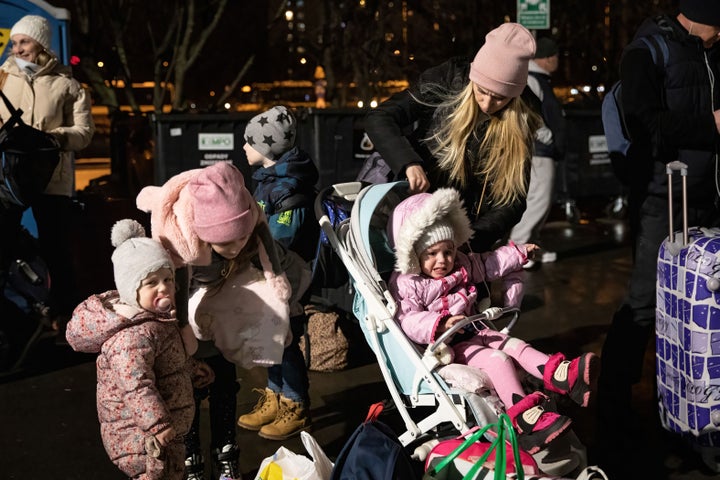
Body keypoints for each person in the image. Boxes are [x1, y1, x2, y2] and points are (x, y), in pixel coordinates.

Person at [596, 1, 720, 475]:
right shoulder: (647, 51)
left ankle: (700, 420)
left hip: (711, 198)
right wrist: (711, 125)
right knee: (647, 305)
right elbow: (647, 124)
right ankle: (614, 413)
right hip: (664, 201)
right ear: (696, 15)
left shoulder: (712, 52)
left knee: (704, 311)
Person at [386, 188, 599, 455]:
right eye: (431, 254)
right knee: (500, 361)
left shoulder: (462, 263)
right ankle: (523, 419)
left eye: (448, 251)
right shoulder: (409, 283)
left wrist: (520, 253)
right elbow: (408, 318)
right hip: (451, 346)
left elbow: (490, 262)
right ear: (414, 253)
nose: (442, 261)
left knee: (515, 345)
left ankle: (562, 375)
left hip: (477, 328)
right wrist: (440, 323)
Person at [136, 162, 310, 480]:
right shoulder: (179, 240)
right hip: (190, 299)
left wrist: (275, 278)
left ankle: (226, 453)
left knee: (223, 381)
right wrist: (184, 332)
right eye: (225, 244)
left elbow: (263, 240)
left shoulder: (246, 215)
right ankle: (191, 458)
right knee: (184, 388)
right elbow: (176, 292)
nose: (234, 249)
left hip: (224, 294)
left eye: (239, 240)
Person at [365, 22, 542, 253]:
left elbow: (512, 202)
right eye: (482, 90)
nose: (487, 104)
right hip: (415, 226)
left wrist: (469, 241)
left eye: (500, 98)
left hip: (469, 240)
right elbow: (379, 118)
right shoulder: (446, 82)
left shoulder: (522, 121)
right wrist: (408, 163)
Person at [65, 219, 202, 480]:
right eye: (151, 282)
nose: (163, 288)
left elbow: (166, 360)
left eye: (168, 279)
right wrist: (156, 423)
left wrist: (192, 368)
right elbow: (136, 384)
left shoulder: (156, 321)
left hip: (161, 430)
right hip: (139, 435)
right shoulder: (131, 337)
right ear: (131, 289)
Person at [0, 14, 94, 328]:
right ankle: (14, 318)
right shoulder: (2, 78)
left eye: (24, 41)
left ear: (40, 42)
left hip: (51, 177)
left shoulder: (68, 85)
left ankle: (65, 317)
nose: (17, 48)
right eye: (14, 43)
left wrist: (53, 139)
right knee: (3, 247)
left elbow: (84, 133)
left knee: (58, 251)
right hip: (9, 179)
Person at [237, 105, 317, 440]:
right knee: (269, 339)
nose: (243, 147)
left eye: (249, 142)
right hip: (265, 273)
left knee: (284, 341)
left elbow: (283, 240)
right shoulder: (270, 181)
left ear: (267, 149)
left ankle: (296, 404)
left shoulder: (288, 191)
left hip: (286, 279)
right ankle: (276, 395)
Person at [510, 37, 567, 269]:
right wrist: (547, 137)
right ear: (549, 58)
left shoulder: (535, 79)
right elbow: (529, 116)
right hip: (539, 151)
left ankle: (529, 247)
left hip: (542, 150)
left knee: (540, 200)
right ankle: (518, 247)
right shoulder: (533, 81)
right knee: (539, 200)